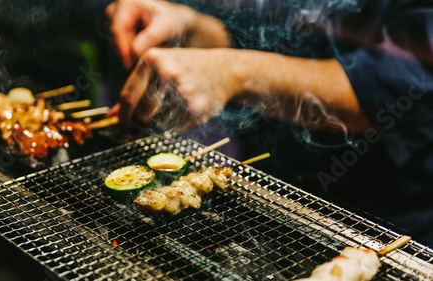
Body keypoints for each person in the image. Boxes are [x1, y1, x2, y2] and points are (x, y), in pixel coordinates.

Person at [105, 0, 433, 245]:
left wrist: (235, 72)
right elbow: (262, 33)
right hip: (271, 193)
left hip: (380, 218)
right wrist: (196, 29)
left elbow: (405, 84)